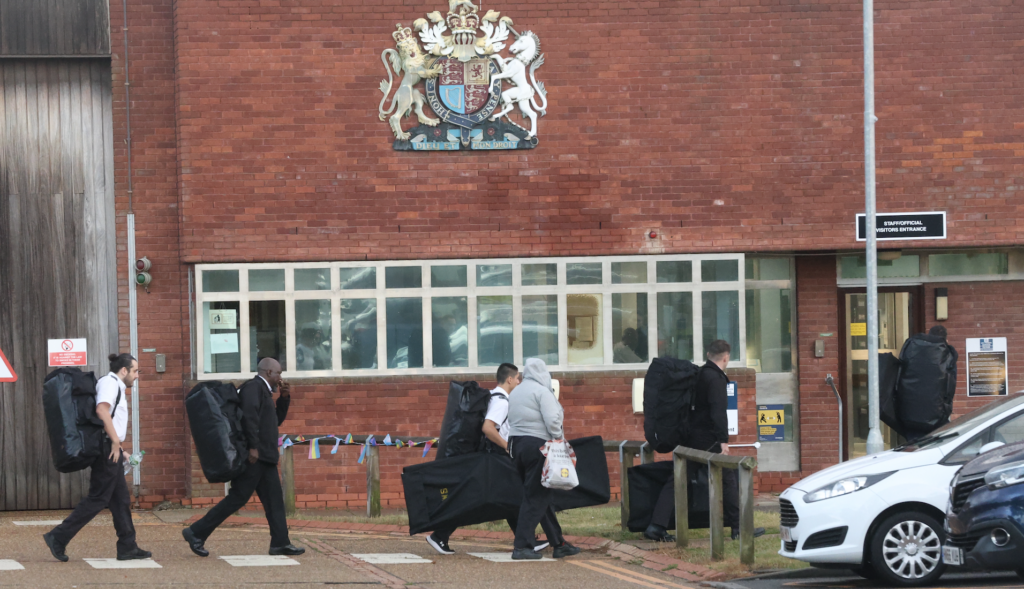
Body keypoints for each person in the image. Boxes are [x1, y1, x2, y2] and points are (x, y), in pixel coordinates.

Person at [182, 358, 305, 557]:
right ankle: (195, 532)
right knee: (237, 498)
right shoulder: (253, 388)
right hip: (255, 458)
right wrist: (253, 447)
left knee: (274, 501)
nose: (280, 378)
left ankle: (280, 543)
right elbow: (248, 418)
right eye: (278, 374)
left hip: (265, 459)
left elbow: (275, 421)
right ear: (268, 372)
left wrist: (284, 398)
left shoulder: (264, 391)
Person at [644, 340, 765, 542]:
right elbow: (718, 412)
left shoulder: (698, 374)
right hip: (708, 439)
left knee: (678, 478)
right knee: (728, 478)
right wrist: (723, 440)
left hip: (690, 435)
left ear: (708, 354)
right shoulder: (716, 379)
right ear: (726, 357)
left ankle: (656, 525)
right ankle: (738, 528)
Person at [426, 363, 552, 555]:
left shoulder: (494, 397)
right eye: (518, 378)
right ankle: (439, 535)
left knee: (512, 498)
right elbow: (488, 428)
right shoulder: (502, 402)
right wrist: (507, 447)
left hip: (493, 458)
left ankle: (526, 540)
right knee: (479, 500)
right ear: (510, 379)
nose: (520, 382)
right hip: (497, 459)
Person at [44, 354, 152, 562]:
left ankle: (127, 546)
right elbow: (102, 411)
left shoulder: (112, 384)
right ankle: (58, 536)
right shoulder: (111, 384)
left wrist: (120, 448)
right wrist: (114, 443)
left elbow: (109, 419)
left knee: (120, 500)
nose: (137, 376)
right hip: (106, 450)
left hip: (111, 448)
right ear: (124, 371)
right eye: (135, 371)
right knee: (98, 497)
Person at [507, 358, 581, 560]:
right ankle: (522, 546)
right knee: (536, 497)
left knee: (540, 495)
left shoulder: (517, 392)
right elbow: (553, 420)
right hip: (538, 446)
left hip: (516, 446)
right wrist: (558, 439)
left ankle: (558, 543)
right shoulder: (541, 391)